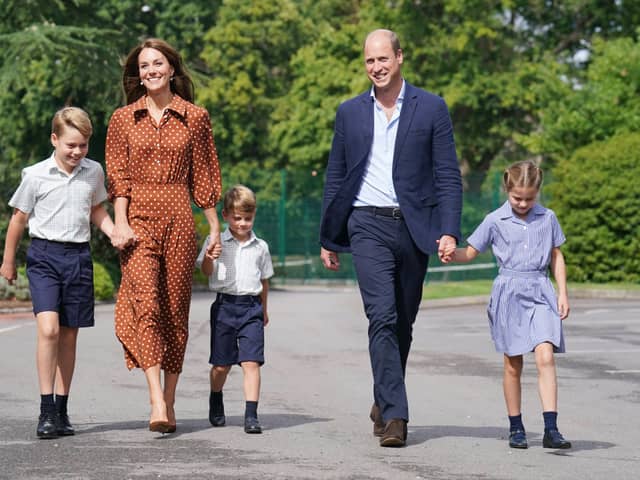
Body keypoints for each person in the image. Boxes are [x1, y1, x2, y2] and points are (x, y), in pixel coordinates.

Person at [319, 29, 463, 447]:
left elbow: (448, 174)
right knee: (380, 315)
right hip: (366, 224)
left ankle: (383, 397)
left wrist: (449, 229)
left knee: (403, 320)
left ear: (400, 57)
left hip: (415, 227)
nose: (376, 68)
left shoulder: (431, 107)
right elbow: (336, 175)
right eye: (369, 61)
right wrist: (330, 234)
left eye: (383, 59)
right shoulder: (349, 113)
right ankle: (397, 417)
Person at [105, 38, 222, 434]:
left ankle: (170, 398)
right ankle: (155, 396)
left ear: (172, 69)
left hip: (179, 218)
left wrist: (215, 227)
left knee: (175, 311)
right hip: (137, 220)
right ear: (137, 74)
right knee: (147, 304)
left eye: (158, 63)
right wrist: (119, 223)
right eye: (144, 65)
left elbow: (204, 175)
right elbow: (118, 178)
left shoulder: (195, 117)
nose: (151, 70)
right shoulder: (123, 118)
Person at [0, 107, 115, 439]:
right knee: (48, 329)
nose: (77, 152)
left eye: (82, 145)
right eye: (70, 145)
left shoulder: (93, 172)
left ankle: (62, 410)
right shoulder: (35, 175)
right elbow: (19, 219)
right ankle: (46, 410)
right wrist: (8, 262)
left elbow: (96, 208)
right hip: (45, 257)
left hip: (78, 257)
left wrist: (114, 232)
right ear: (54, 139)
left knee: (68, 334)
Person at [442, 160, 571, 449]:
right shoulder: (494, 220)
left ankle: (551, 429)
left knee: (546, 356)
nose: (523, 203)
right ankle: (516, 427)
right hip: (509, 292)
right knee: (513, 363)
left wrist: (562, 292)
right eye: (517, 198)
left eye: (529, 198)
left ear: (537, 193)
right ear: (507, 190)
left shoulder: (548, 218)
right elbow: (471, 252)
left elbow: (556, 256)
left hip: (540, 290)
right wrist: (452, 253)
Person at [196, 185, 273, 434]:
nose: (242, 223)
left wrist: (264, 309)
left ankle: (251, 415)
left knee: (252, 363)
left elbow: (264, 280)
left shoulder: (260, 246)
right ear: (226, 215)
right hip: (224, 307)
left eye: (248, 218)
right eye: (237, 218)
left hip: (251, 308)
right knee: (222, 365)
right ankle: (215, 396)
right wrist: (210, 256)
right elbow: (206, 272)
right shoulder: (216, 241)